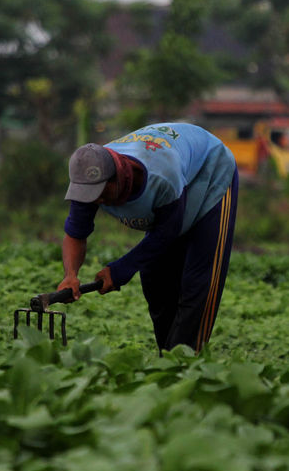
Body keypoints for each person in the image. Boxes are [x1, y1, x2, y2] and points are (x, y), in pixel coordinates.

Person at [58, 122, 238, 354]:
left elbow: (165, 235)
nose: (97, 201)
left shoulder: (160, 178)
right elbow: (76, 233)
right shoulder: (89, 179)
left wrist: (120, 270)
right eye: (90, 195)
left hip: (211, 172)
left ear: (118, 178)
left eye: (102, 193)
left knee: (198, 283)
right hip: (176, 181)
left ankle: (186, 363)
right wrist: (71, 275)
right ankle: (168, 357)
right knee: (155, 280)